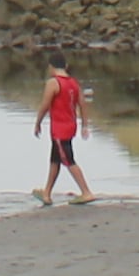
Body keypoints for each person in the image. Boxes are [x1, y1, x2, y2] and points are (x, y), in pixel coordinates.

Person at [35, 66, 94, 203]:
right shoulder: (73, 83)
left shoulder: (54, 83)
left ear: (51, 66)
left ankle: (86, 192)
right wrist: (84, 125)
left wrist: (38, 122)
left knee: (68, 160)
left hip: (59, 129)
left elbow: (45, 105)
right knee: (55, 159)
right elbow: (82, 104)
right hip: (70, 126)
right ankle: (47, 194)